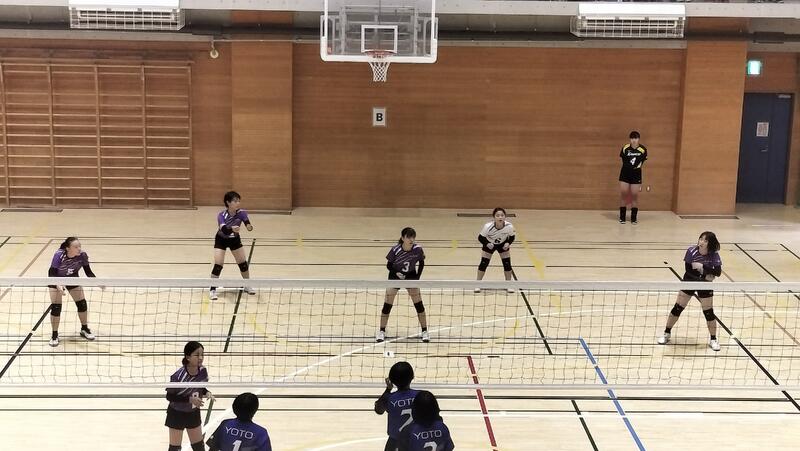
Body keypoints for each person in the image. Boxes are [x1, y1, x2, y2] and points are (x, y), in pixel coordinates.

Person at [657, 231, 723, 351]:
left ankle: (713, 339)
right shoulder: (691, 251)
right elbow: (688, 271)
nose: (701, 242)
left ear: (710, 243)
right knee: (677, 308)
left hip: (705, 285)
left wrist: (703, 267)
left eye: (705, 240)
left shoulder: (714, 255)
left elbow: (717, 272)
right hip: (689, 281)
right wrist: (705, 276)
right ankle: (666, 333)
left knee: (709, 313)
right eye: (701, 239)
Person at [377, 227, 429, 343]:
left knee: (419, 305)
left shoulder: (417, 249)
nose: (411, 240)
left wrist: (417, 278)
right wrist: (396, 273)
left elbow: (421, 262)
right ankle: (381, 331)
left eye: (413, 237)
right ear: (402, 238)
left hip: (411, 276)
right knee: (387, 305)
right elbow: (389, 265)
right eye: (408, 237)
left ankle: (425, 331)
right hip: (395, 276)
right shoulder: (395, 250)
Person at [47, 237, 99, 347]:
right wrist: (58, 285)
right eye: (76, 247)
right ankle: (54, 335)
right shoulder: (59, 255)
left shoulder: (82, 255)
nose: (79, 248)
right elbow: (52, 272)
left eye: (79, 246)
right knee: (56, 307)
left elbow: (88, 272)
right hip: (55, 278)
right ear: (68, 248)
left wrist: (98, 282)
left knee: (82, 304)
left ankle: (84, 329)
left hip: (72, 278)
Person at [165, 341, 212, 451]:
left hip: (193, 413)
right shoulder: (178, 376)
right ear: (188, 357)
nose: (201, 358)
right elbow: (169, 397)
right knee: (175, 448)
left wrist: (207, 392)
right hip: (176, 413)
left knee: (199, 447)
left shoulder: (203, 371)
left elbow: (200, 387)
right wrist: (190, 399)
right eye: (197, 355)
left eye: (202, 355)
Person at [210, 191, 255, 300]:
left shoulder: (242, 213)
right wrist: (232, 229)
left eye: (239, 201)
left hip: (234, 240)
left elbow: (247, 222)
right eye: (235, 201)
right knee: (218, 265)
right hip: (221, 239)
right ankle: (212, 289)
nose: (238, 203)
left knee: (243, 264)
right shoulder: (221, 215)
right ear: (228, 202)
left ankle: (247, 285)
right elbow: (225, 230)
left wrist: (249, 226)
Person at [375, 362, 419, 451]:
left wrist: (388, 389)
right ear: (412, 377)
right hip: (416, 440)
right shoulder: (420, 396)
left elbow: (378, 410)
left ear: (391, 379)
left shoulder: (390, 398)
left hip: (394, 442)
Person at [207, 392, 272, 451]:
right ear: (255, 410)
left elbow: (212, 448)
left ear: (234, 407)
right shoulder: (261, 433)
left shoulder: (225, 424)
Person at [475, 208, 516, 293]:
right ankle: (477, 284)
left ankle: (508, 285)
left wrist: (508, 243)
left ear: (505, 217)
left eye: (502, 215)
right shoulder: (488, 226)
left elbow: (512, 237)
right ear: (494, 217)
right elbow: (480, 238)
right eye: (497, 215)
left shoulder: (509, 226)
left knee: (507, 264)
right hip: (490, 244)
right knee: (484, 263)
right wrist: (487, 244)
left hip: (502, 244)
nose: (500, 217)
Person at [618, 131, 648, 224]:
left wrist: (635, 168)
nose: (634, 140)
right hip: (625, 174)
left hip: (636, 174)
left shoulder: (643, 149)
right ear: (630, 139)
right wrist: (629, 168)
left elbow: (642, 161)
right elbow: (623, 161)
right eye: (632, 138)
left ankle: (633, 218)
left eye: (635, 138)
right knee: (624, 194)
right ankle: (622, 217)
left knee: (634, 196)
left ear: (638, 139)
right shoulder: (625, 148)